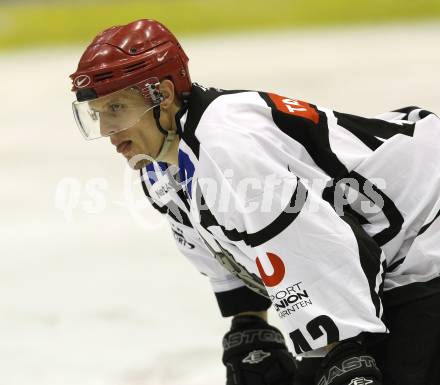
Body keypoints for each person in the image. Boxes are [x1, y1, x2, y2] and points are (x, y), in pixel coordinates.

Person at [69, 19, 440, 385]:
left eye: (117, 108)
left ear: (163, 96)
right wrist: (250, 324)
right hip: (391, 245)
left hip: (425, 222)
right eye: (98, 113)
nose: (105, 130)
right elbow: (229, 248)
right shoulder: (160, 166)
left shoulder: (229, 146)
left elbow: (333, 247)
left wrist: (347, 351)